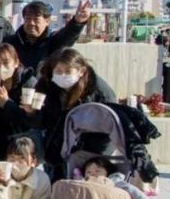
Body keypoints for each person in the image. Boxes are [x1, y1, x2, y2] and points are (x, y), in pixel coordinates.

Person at [30, 48, 116, 177]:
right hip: (56, 151)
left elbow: (111, 130)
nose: (63, 75)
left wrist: (93, 160)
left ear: (81, 71)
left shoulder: (99, 91)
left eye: (68, 71)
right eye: (58, 71)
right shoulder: (47, 84)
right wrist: (31, 113)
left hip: (89, 154)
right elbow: (41, 123)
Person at [0, 43, 38, 162]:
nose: (1, 68)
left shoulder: (28, 82)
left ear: (16, 63)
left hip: (22, 142)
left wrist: (6, 103)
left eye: (6, 63)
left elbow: (27, 121)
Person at [5, 0, 90, 73]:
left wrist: (77, 22)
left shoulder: (53, 42)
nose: (31, 23)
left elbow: (67, 36)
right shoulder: (11, 43)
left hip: (44, 89)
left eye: (36, 19)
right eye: (28, 18)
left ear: (47, 21)